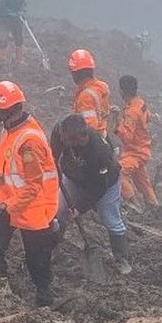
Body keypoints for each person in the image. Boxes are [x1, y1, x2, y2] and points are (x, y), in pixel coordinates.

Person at [0, 81, 59, 306]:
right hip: (7, 197)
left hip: (33, 206)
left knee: (37, 259)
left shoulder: (29, 142)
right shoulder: (9, 126)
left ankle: (45, 300)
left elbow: (33, 186)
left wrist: (3, 207)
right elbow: (2, 152)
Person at [52, 114, 132, 274]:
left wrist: (79, 208)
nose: (63, 141)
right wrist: (56, 175)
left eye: (66, 140)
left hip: (105, 184)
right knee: (59, 209)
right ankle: (53, 248)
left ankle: (122, 258)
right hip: (74, 177)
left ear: (79, 139)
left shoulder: (100, 153)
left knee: (110, 218)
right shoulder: (60, 131)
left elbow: (98, 188)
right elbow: (53, 154)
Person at [112, 75, 158, 207]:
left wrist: (118, 121)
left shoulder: (131, 111)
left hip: (135, 153)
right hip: (142, 150)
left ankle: (133, 206)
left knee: (118, 173)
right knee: (143, 183)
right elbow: (147, 117)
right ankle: (154, 206)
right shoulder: (140, 103)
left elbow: (127, 138)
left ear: (121, 90)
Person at [68, 49, 110, 137]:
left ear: (75, 74)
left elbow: (90, 129)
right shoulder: (101, 87)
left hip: (93, 144)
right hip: (104, 137)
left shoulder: (85, 96)